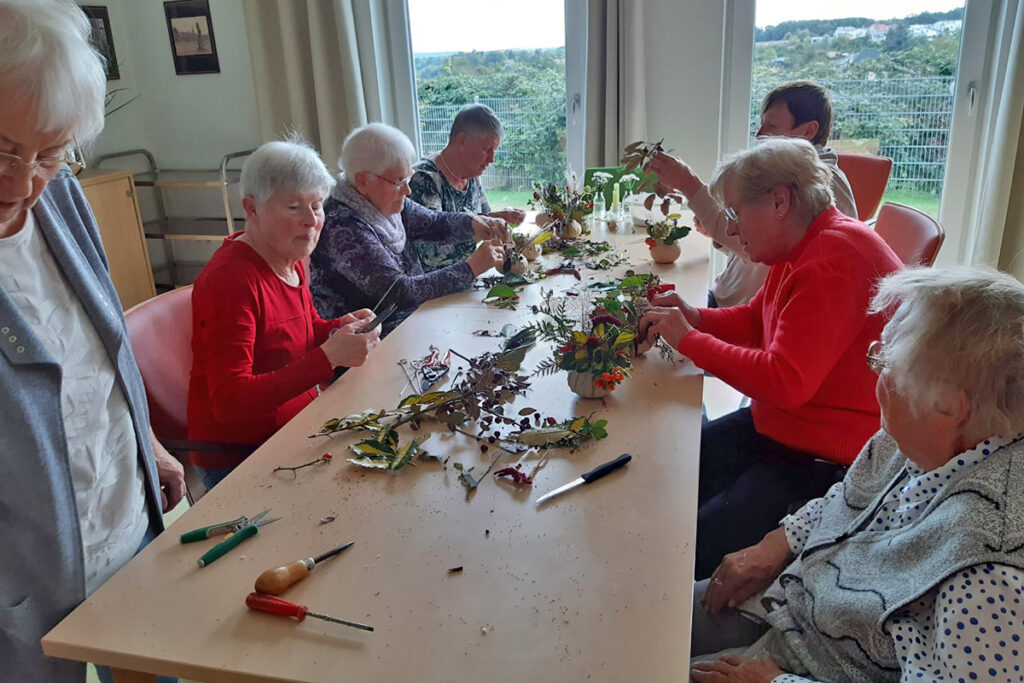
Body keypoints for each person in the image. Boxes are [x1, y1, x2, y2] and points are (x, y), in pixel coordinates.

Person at [689, 266, 1024, 683]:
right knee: (650, 614)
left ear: (951, 406)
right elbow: (851, 495)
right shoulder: (920, 438)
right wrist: (780, 541)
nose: (875, 373)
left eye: (886, 363)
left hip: (819, 667)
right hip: (794, 601)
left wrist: (776, 682)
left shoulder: (990, 576)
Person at [0, 1, 185, 681]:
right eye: (2, 149)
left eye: (50, 152)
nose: (23, 182)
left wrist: (147, 442)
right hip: (26, 581)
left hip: (126, 525)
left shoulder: (62, 199)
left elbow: (99, 349)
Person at [638, 138, 902, 580]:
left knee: (685, 545)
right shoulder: (801, 245)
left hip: (826, 458)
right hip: (787, 427)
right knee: (668, 475)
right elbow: (756, 321)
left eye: (736, 211)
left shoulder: (834, 259)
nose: (731, 227)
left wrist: (689, 340)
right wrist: (695, 317)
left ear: (779, 202)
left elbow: (785, 381)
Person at [188, 137, 380, 490]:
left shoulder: (290, 257)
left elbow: (296, 332)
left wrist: (336, 329)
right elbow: (230, 402)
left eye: (318, 206)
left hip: (295, 425)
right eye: (294, 207)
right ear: (252, 209)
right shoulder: (230, 281)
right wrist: (328, 357)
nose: (311, 221)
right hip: (243, 453)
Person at [649, 80, 857, 308]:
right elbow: (754, 252)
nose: (760, 134)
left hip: (745, 311)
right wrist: (721, 233)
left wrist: (688, 183)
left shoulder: (817, 183)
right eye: (761, 124)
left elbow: (767, 252)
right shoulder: (791, 174)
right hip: (730, 301)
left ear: (808, 131)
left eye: (772, 126)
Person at [310, 123, 509, 333]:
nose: (407, 190)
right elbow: (399, 292)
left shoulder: (381, 200)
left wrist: (477, 224)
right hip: (374, 338)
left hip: (412, 320)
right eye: (398, 181)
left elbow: (433, 223)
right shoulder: (342, 227)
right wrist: (471, 267)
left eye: (407, 178)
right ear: (363, 181)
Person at [409, 103, 525, 272]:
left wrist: (499, 219)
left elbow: (483, 216)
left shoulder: (471, 173)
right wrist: (483, 228)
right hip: (436, 283)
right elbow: (431, 254)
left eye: (494, 150)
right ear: (462, 140)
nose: (492, 159)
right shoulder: (424, 179)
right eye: (487, 149)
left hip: (467, 277)